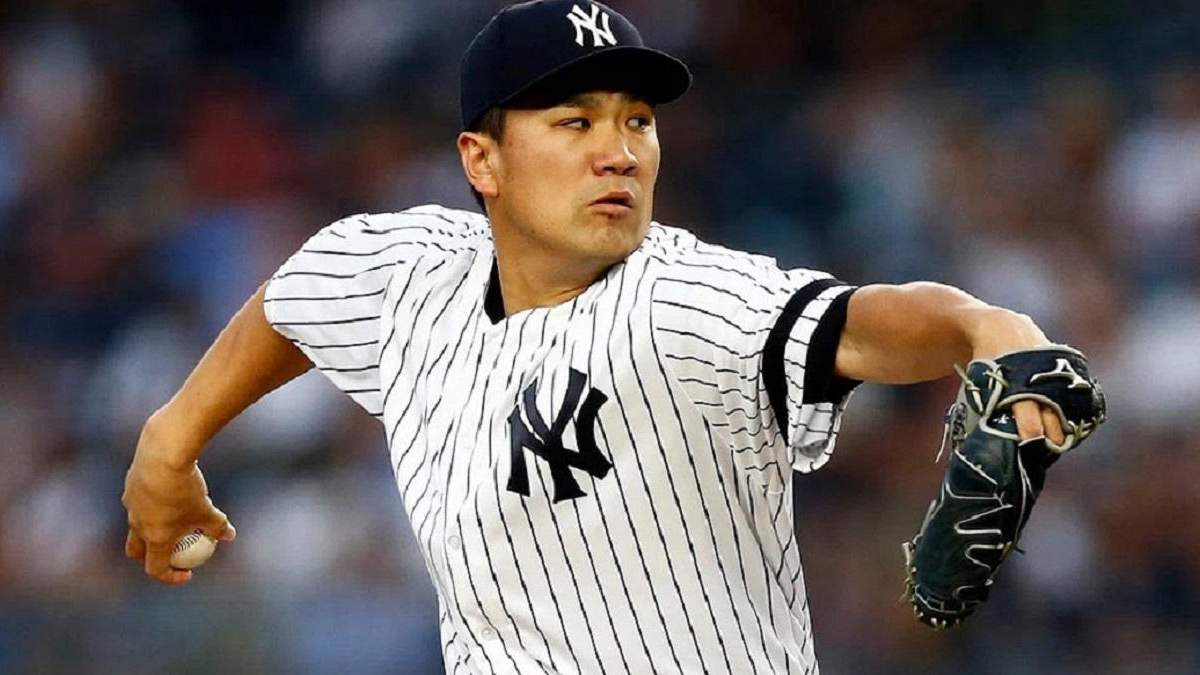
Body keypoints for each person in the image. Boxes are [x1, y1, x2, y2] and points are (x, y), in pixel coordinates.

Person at [122, 1, 1075, 672]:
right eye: (575, 121)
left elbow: (860, 324)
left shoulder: (686, 300)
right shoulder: (409, 270)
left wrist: (984, 326)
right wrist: (172, 438)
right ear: (482, 160)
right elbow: (300, 297)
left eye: (637, 121)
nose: (618, 151)